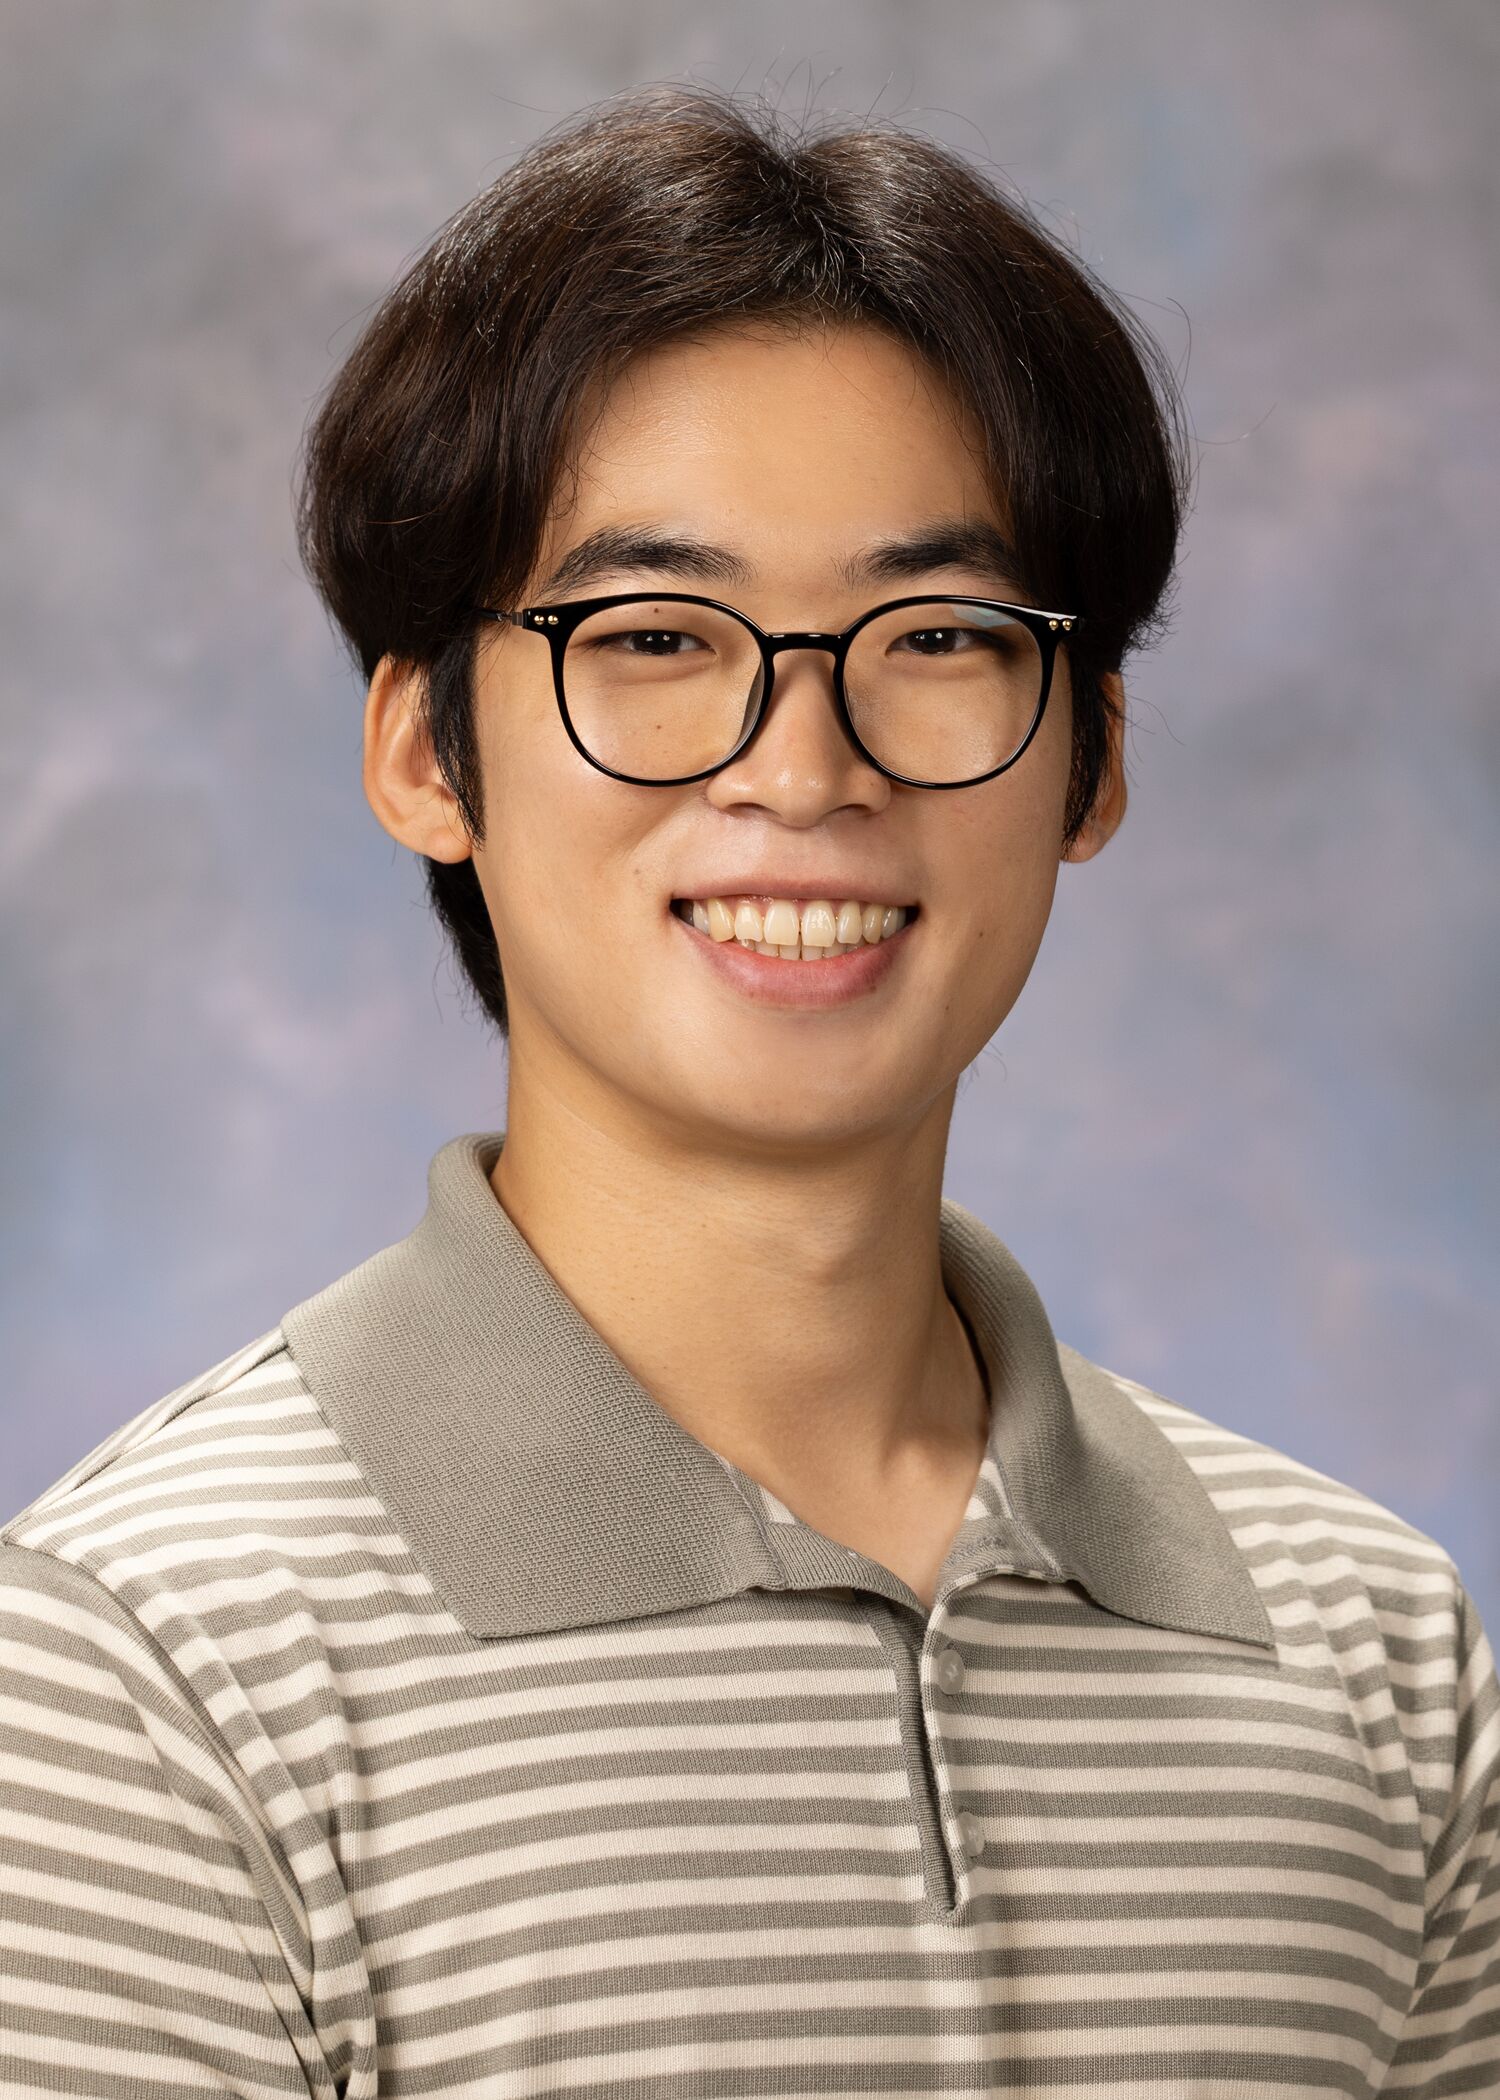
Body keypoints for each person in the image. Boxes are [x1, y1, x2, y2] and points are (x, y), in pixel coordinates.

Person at [2, 83, 1495, 2099]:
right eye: (655, 635)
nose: (804, 767)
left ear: (1093, 756)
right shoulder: (132, 1672)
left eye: (942, 632)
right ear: (425, 756)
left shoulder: (1381, 1659)